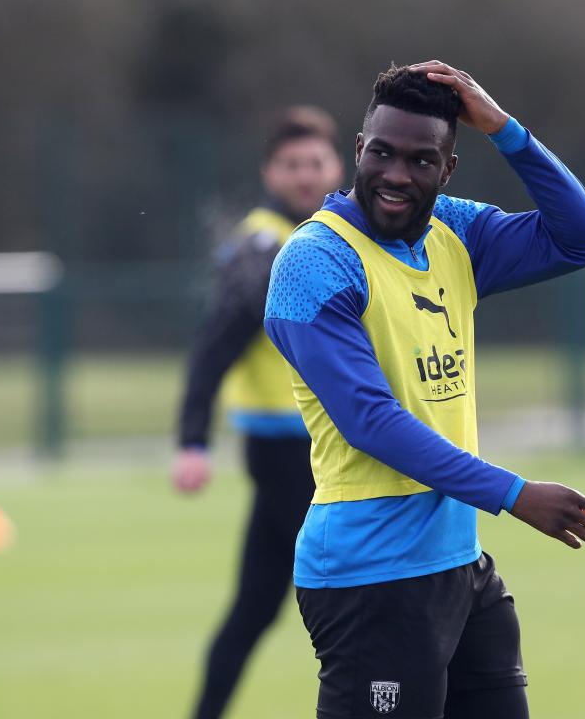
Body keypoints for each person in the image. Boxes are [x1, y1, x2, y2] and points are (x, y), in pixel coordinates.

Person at [264, 62, 585, 718]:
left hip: (460, 565)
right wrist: (514, 495)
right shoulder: (314, 262)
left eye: (422, 160)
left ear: (448, 169)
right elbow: (370, 421)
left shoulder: (454, 231)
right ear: (358, 152)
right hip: (371, 578)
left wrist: (506, 130)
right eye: (383, 153)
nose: (397, 175)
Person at [173, 106, 344, 719]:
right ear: (271, 172)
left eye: (315, 162)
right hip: (287, 449)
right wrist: (192, 440)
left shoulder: (341, 233)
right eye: (291, 164)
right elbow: (213, 346)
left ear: (338, 165)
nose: (305, 174)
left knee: (256, 604)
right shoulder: (263, 245)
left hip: (325, 446)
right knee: (356, 588)